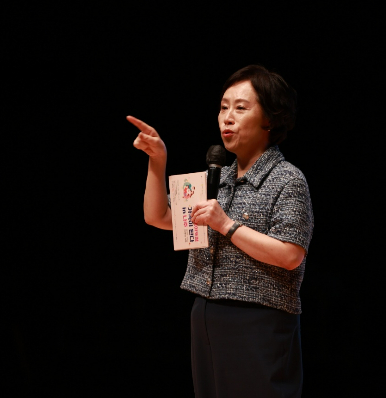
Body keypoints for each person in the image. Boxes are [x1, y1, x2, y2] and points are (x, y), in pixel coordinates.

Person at [128, 64, 314, 398]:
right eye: (223, 107)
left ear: (270, 118)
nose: (227, 117)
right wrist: (157, 160)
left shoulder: (287, 179)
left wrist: (226, 224)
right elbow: (158, 216)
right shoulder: (217, 178)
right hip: (205, 315)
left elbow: (289, 255)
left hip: (259, 321)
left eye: (240, 108)